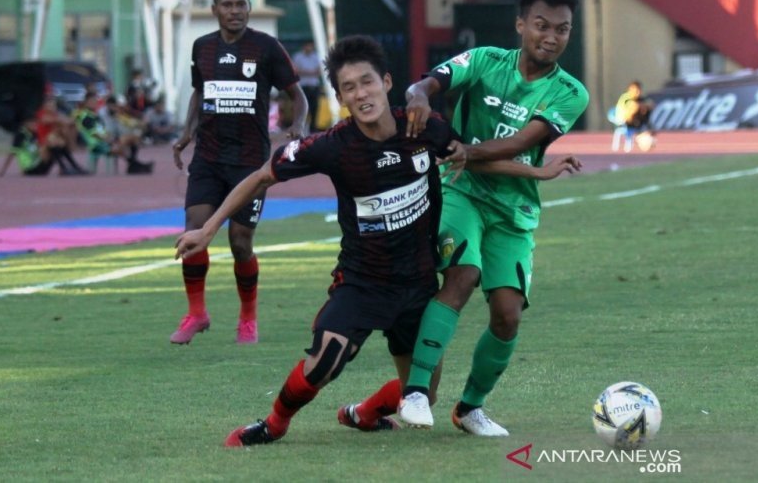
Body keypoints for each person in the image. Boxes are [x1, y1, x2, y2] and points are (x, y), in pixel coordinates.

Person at [174, 35, 581, 447]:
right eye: (349, 87)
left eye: (367, 82)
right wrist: (207, 230)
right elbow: (263, 175)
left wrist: (539, 172)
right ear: (340, 97)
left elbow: (471, 157)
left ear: (386, 82)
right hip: (362, 281)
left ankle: (364, 413)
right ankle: (275, 423)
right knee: (325, 363)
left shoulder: (425, 128)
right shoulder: (332, 146)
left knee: (424, 394)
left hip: (418, 283)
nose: (361, 93)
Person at [396, 0, 590, 436]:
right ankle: (416, 393)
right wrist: (420, 98)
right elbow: (425, 84)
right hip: (460, 189)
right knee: (462, 275)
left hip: (513, 207)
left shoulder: (570, 92)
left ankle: (469, 409)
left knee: (507, 314)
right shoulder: (483, 61)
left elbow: (525, 142)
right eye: (541, 25)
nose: (551, 37)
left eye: (562, 30)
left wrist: (463, 148)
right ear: (521, 24)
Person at [170, 0, 308, 345]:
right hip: (209, 157)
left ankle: (248, 319)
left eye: (241, 4)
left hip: (250, 162)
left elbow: (297, 93)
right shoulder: (202, 48)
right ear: (215, 10)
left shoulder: (266, 47)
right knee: (193, 229)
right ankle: (196, 313)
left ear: (248, 7)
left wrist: (299, 125)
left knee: (240, 242)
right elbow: (200, 93)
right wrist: (186, 133)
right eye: (228, 5)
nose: (235, 10)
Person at [612, 81, 654, 152]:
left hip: (636, 120)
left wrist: (645, 107)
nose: (637, 93)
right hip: (623, 120)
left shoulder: (640, 98)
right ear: (630, 90)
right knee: (635, 107)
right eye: (635, 90)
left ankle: (645, 129)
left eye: (639, 90)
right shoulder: (625, 98)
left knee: (646, 108)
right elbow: (624, 111)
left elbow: (650, 104)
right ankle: (637, 131)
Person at [292, 41, 322, 132]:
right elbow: (295, 71)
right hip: (303, 87)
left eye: (311, 46)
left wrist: (304, 72)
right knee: (302, 108)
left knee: (315, 108)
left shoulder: (317, 57)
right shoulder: (298, 57)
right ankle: (300, 128)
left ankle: (313, 128)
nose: (309, 48)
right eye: (307, 46)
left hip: (314, 86)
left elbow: (319, 71)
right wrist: (311, 72)